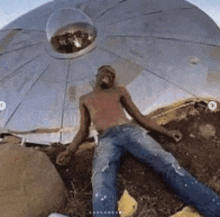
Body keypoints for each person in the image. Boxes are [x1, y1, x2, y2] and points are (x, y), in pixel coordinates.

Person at [56, 65, 220, 217]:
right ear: (97, 76)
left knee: (166, 161)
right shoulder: (86, 98)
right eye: (105, 72)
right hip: (106, 137)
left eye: (112, 74)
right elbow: (83, 130)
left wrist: (167, 132)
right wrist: (69, 150)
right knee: (101, 178)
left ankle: (213, 207)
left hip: (129, 131)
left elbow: (139, 117)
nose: (109, 75)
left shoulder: (118, 91)